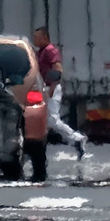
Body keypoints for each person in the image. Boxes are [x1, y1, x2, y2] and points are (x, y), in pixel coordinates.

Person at [33, 27, 87, 160]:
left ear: (45, 37)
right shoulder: (41, 51)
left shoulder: (50, 50)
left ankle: (77, 139)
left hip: (52, 88)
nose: (35, 39)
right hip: (44, 88)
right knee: (42, 120)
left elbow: (57, 68)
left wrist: (53, 85)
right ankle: (37, 149)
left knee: (52, 120)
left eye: (37, 37)